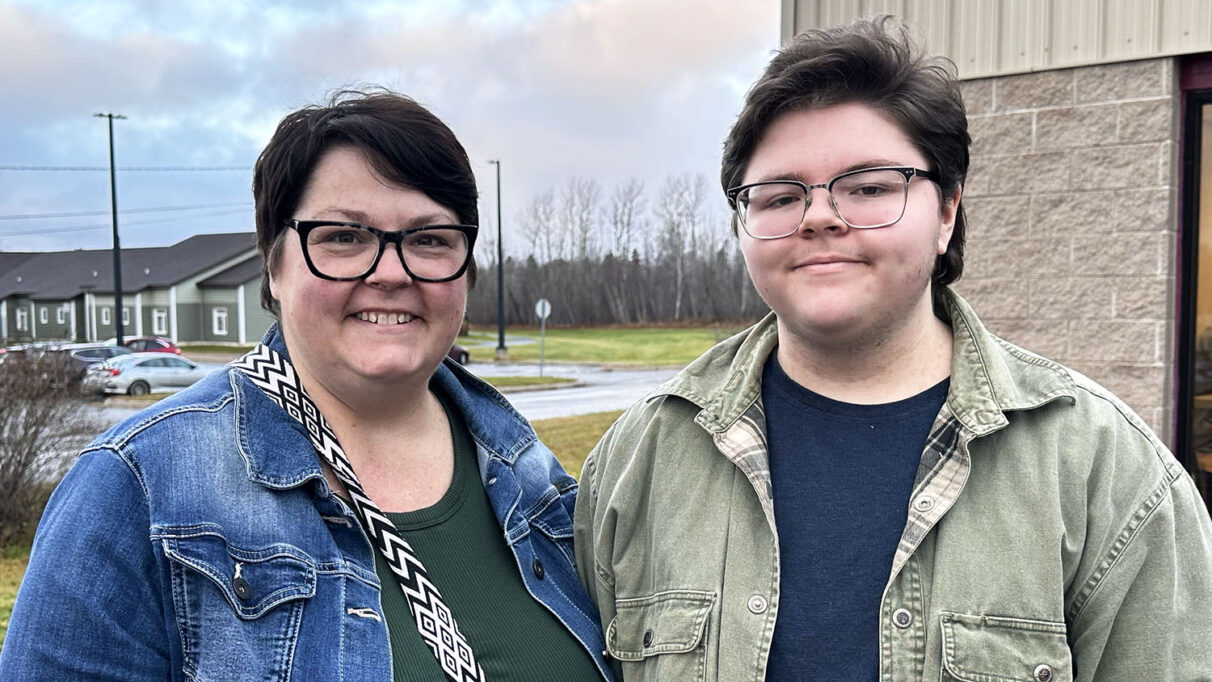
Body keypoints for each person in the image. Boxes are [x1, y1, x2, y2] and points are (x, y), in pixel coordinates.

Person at [573, 17, 1212, 681]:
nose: (819, 216)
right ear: (743, 223)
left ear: (946, 212)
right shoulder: (636, 462)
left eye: (869, 186)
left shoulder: (1104, 471)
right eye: (779, 195)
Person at [1, 91, 611, 681]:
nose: (392, 273)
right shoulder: (138, 489)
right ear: (274, 264)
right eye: (344, 237)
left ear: (466, 269)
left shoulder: (532, 478)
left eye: (429, 239)